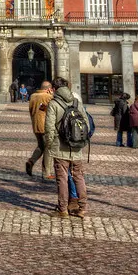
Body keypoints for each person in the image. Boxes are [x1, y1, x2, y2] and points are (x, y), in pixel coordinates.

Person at [44, 77, 88, 218]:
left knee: (62, 179)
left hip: (60, 147)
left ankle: (62, 209)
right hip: (77, 146)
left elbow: (49, 128)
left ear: (55, 89)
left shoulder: (53, 103)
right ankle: (82, 208)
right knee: (79, 177)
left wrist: (49, 145)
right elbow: (86, 122)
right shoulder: (77, 102)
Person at [26, 80, 53, 178]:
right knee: (48, 148)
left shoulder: (33, 96)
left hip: (36, 125)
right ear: (48, 89)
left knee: (41, 146)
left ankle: (31, 161)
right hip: (45, 126)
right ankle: (46, 173)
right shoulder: (48, 97)